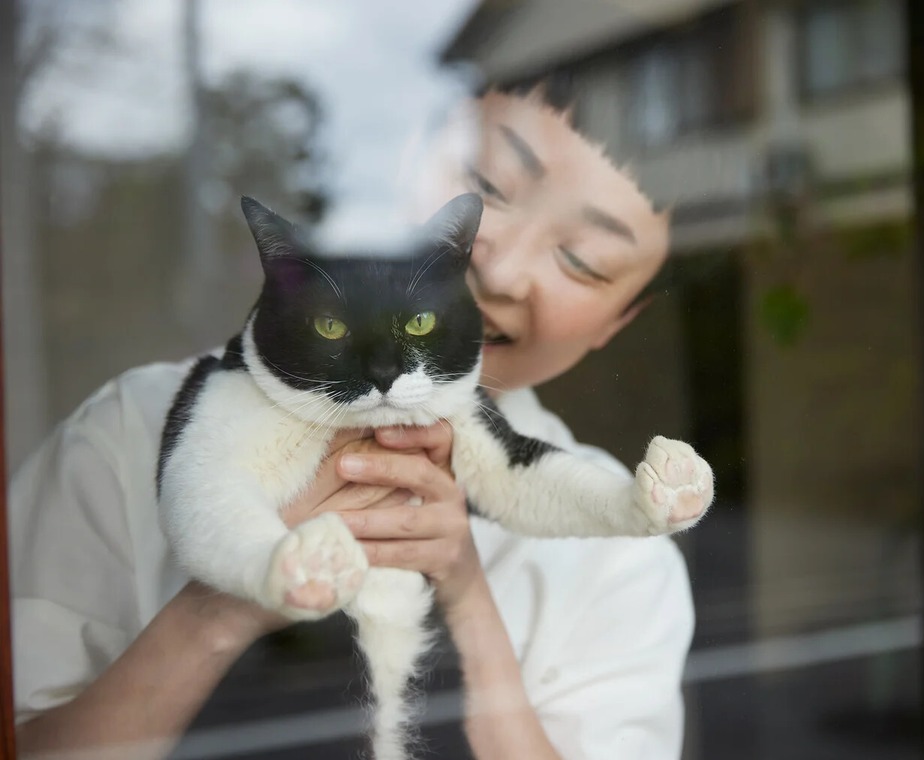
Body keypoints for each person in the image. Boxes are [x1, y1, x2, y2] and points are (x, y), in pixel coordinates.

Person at [9, 88, 691, 760]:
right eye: (488, 185)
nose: (502, 268)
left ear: (622, 321)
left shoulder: (623, 558)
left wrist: (465, 595)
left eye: (583, 261)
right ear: (407, 164)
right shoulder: (129, 433)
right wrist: (226, 602)